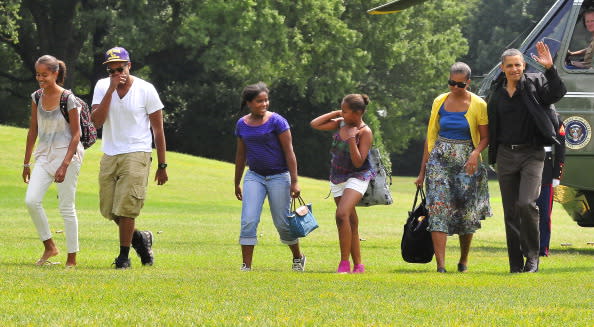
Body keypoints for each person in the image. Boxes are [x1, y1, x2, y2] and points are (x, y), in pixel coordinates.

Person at [487, 42, 567, 273]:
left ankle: (532, 257)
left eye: (518, 65)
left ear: (524, 66)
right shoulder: (497, 91)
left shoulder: (535, 83)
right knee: (511, 210)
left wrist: (550, 69)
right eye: (510, 66)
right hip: (505, 154)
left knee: (526, 203)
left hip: (533, 153)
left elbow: (556, 93)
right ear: (503, 68)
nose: (515, 69)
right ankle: (515, 263)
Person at [91, 46, 168, 269]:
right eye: (111, 71)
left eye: (120, 68)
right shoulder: (102, 86)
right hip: (110, 152)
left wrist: (162, 164)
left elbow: (158, 130)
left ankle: (124, 257)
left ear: (129, 66)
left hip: (137, 151)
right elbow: (97, 121)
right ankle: (141, 239)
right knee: (109, 209)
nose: (116, 74)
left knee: (126, 207)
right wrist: (110, 90)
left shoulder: (146, 89)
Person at [414, 62, 492, 273]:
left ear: (468, 82)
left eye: (460, 84)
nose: (455, 88)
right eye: (451, 83)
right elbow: (430, 137)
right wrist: (422, 171)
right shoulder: (439, 101)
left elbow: (485, 137)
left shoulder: (478, 104)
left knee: (466, 212)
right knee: (438, 209)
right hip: (439, 159)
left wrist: (476, 154)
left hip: (467, 161)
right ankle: (441, 265)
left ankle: (463, 260)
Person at [234, 82, 306, 272]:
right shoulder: (242, 124)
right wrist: (236, 183)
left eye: (266, 100)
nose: (264, 104)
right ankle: (246, 266)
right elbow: (241, 155)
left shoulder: (277, 121)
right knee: (248, 220)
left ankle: (298, 257)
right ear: (249, 102)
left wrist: (295, 181)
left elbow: (289, 152)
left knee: (282, 223)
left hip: (279, 177)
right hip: (254, 177)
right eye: (259, 101)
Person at [23, 55, 83, 268]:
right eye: (38, 74)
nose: (40, 78)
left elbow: (76, 134)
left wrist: (65, 164)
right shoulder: (36, 97)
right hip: (44, 156)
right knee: (31, 201)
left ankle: (72, 259)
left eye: (44, 75)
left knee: (66, 207)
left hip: (67, 156)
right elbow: (33, 130)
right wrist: (26, 163)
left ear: (55, 74)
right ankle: (50, 245)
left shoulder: (68, 99)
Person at [310, 94, 375, 274]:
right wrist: (338, 112)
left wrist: (351, 140)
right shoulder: (340, 123)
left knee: (341, 214)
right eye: (342, 110)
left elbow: (358, 162)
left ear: (358, 113)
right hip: (338, 177)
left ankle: (344, 263)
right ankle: (359, 265)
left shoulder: (365, 132)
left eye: (346, 111)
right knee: (350, 221)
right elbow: (315, 124)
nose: (342, 114)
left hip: (358, 176)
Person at [536, 115, 565, 257]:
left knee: (545, 214)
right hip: (527, 165)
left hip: (546, 172)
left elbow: (560, 147)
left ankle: (542, 248)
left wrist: (556, 175)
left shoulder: (555, 118)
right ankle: (527, 245)